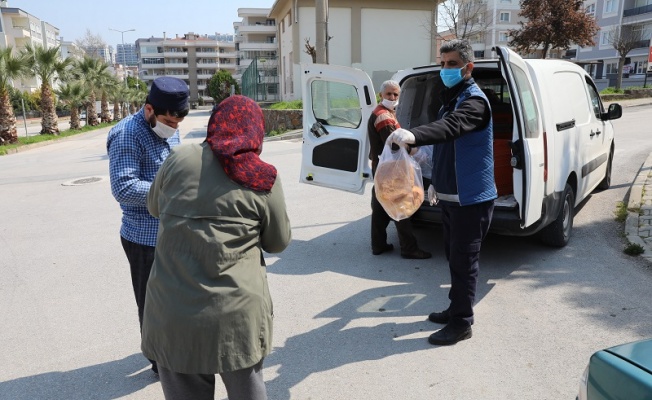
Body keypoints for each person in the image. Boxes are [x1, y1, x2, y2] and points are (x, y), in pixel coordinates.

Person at [141, 95, 292, 400]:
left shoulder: (178, 159)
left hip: (173, 315)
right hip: (235, 320)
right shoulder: (262, 177)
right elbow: (278, 241)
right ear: (256, 129)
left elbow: (154, 207)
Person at [389, 39, 496, 345]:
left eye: (452, 64)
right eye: (442, 63)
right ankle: (455, 308)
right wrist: (435, 178)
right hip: (451, 196)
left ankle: (462, 322)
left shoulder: (474, 102)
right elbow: (446, 145)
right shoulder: (450, 100)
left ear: (468, 67)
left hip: (471, 199)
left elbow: (451, 127)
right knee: (453, 258)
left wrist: (414, 133)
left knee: (464, 262)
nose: (445, 69)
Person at [106, 76, 190, 373]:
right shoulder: (128, 134)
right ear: (149, 110)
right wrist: (172, 191)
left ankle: (173, 348)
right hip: (143, 238)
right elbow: (124, 188)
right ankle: (160, 361)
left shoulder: (171, 128)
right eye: (169, 120)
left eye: (178, 122)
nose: (174, 127)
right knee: (152, 304)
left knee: (176, 299)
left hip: (173, 232)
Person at [368, 80, 432, 260]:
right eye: (389, 94)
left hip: (382, 168)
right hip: (391, 170)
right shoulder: (384, 117)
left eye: (396, 95)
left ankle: (378, 244)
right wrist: (416, 152)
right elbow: (395, 144)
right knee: (401, 205)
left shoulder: (384, 112)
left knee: (380, 205)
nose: (393, 97)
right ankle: (409, 248)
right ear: (381, 95)